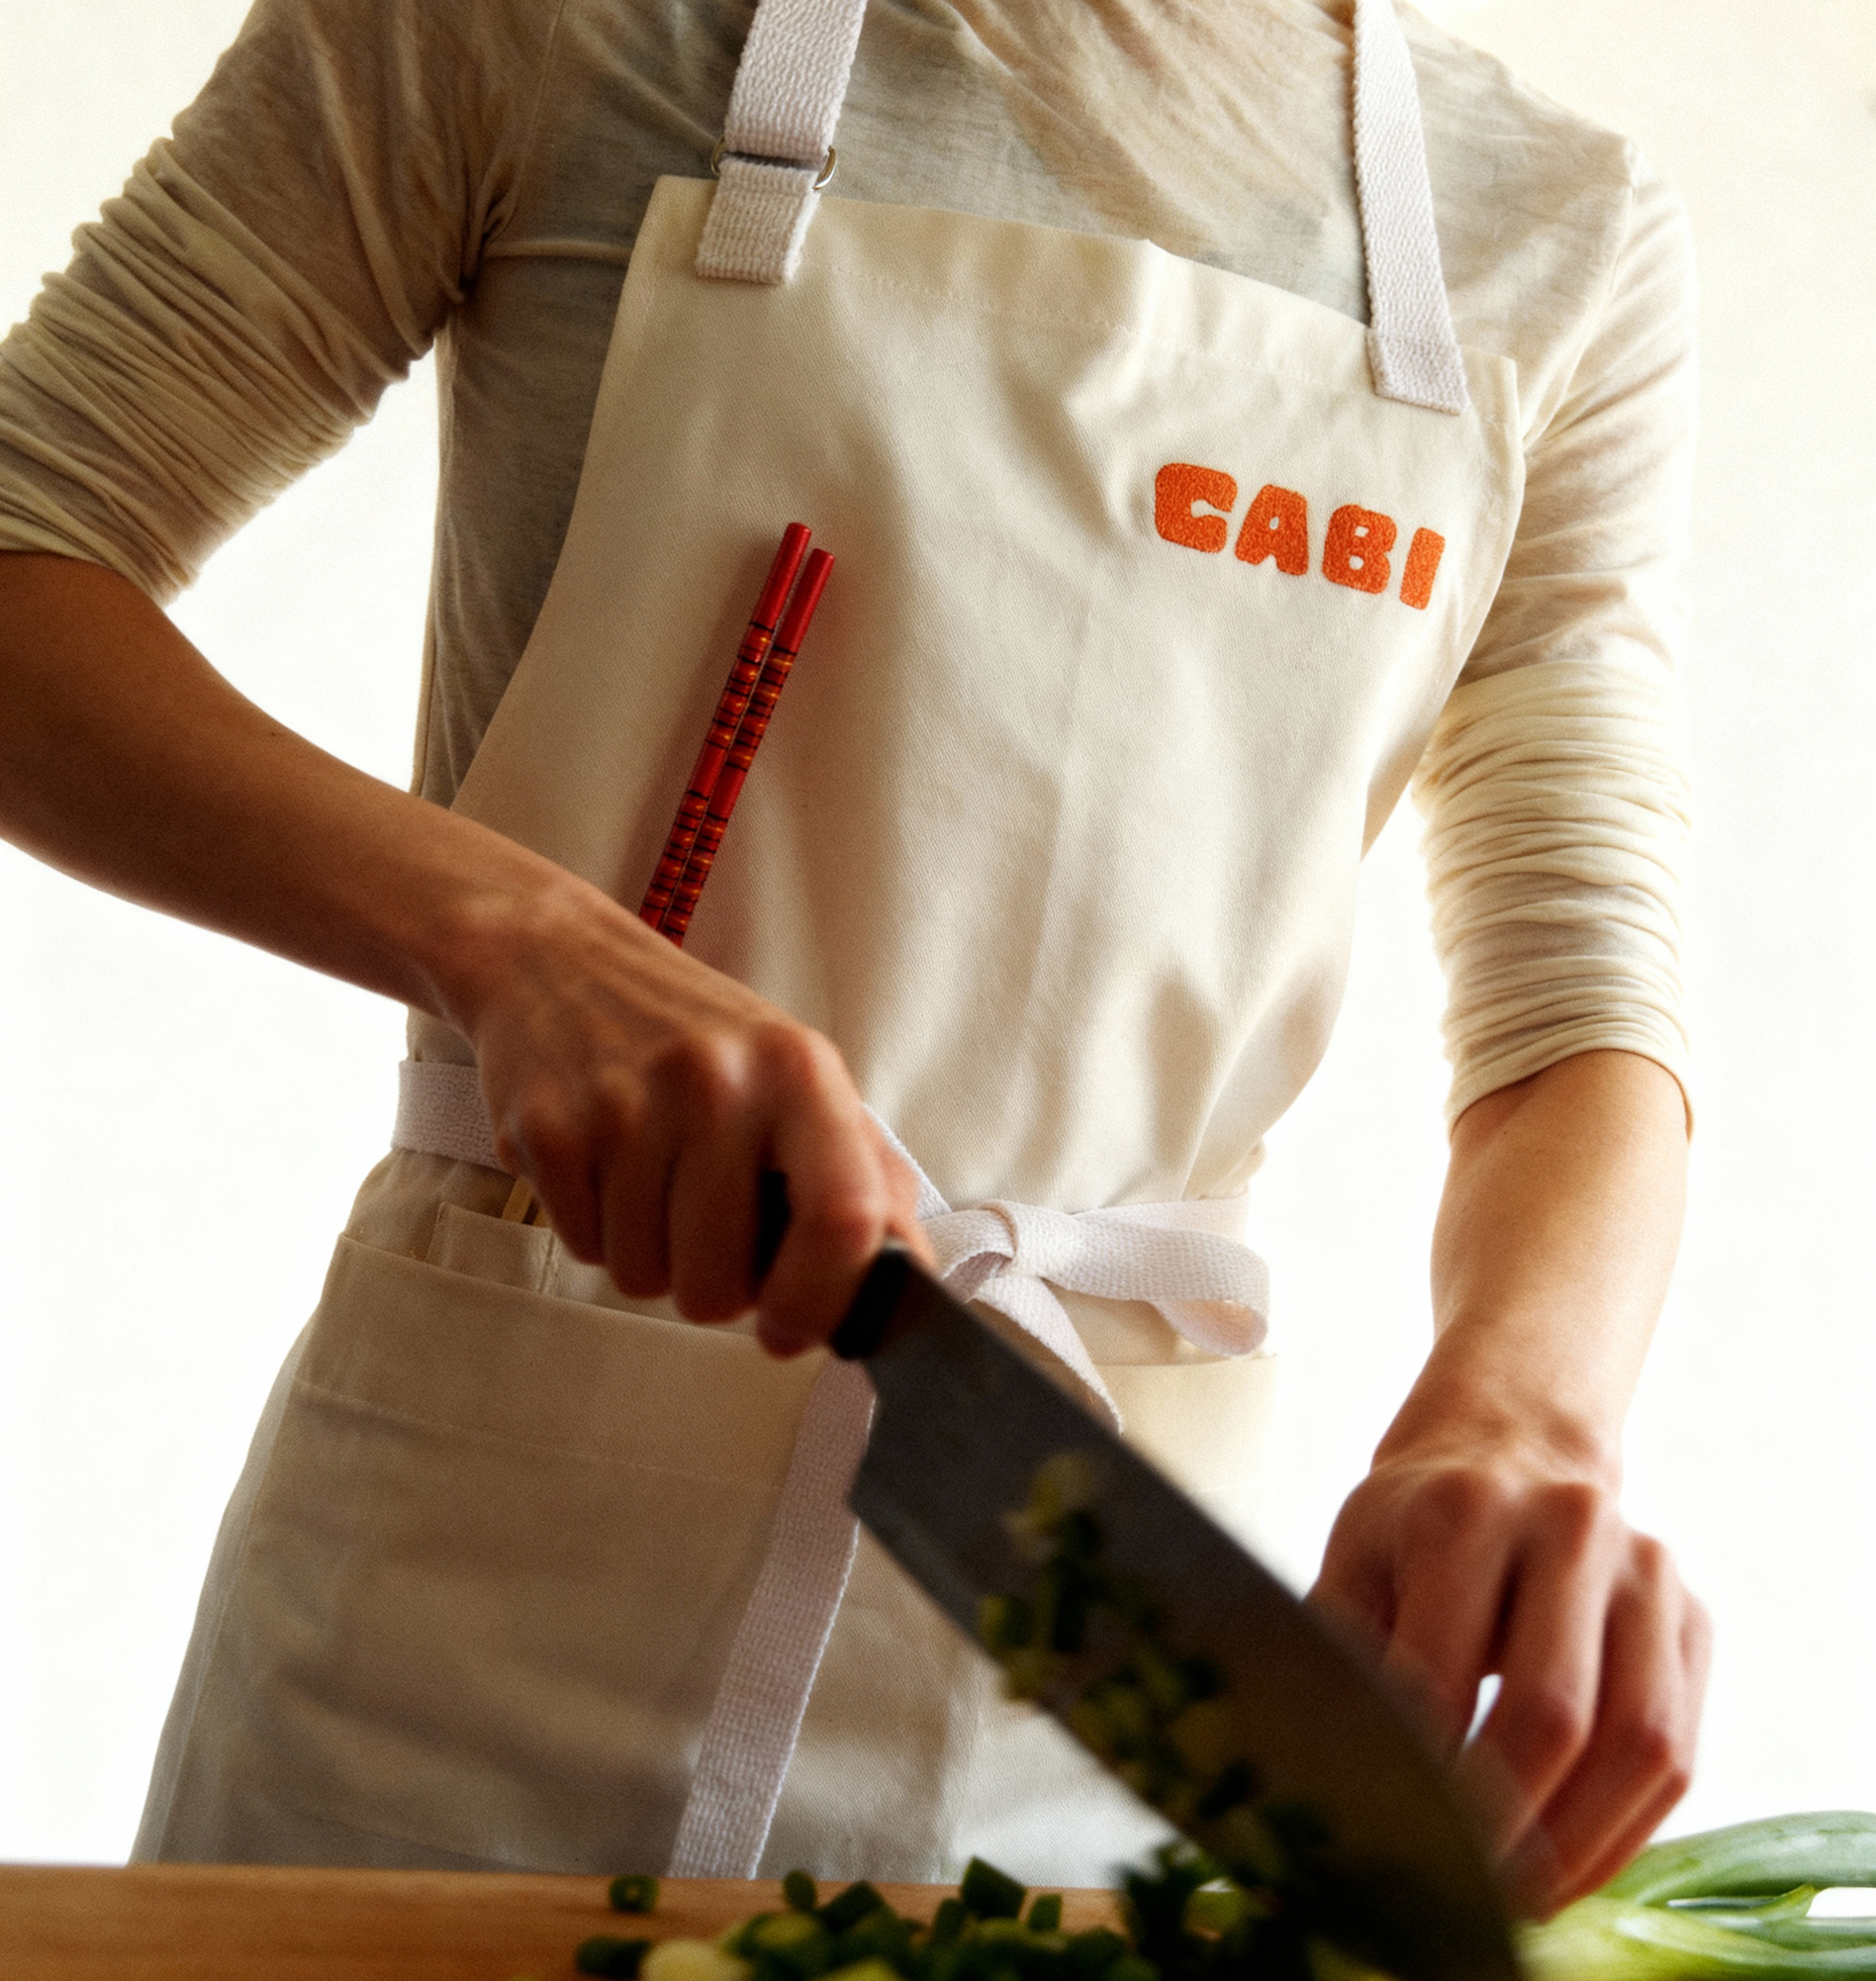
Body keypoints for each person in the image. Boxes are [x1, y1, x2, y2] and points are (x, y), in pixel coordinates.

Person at [0, 0, 1707, 1916]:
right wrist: (521, 942)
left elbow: (1585, 991)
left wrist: (1523, 1404)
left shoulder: (1552, 230)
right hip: (439, 1678)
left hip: (1081, 1684)